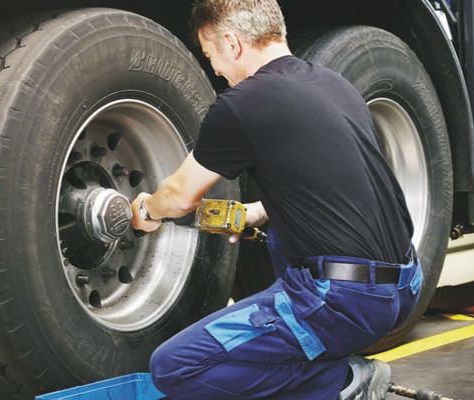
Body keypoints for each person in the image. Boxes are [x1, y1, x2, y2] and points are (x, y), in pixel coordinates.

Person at [130, 1, 425, 399]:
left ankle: (340, 383)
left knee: (175, 367)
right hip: (405, 286)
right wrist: (259, 212)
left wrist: (146, 209)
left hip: (343, 302)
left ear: (232, 43)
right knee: (280, 252)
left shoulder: (242, 104)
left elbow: (179, 196)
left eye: (210, 54)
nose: (215, 69)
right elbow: (344, 180)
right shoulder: (335, 85)